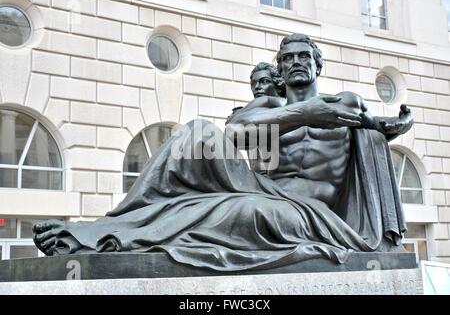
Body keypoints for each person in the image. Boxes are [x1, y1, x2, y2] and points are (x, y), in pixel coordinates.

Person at [33, 34, 413, 271]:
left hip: (313, 212)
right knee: (196, 132)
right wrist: (305, 113)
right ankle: (109, 226)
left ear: (317, 64)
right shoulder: (266, 107)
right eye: (289, 59)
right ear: (280, 69)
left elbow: (374, 131)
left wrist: (391, 126)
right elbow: (236, 135)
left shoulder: (346, 101)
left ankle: (105, 238)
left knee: (239, 212)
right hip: (268, 190)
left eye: (303, 56)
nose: (296, 62)